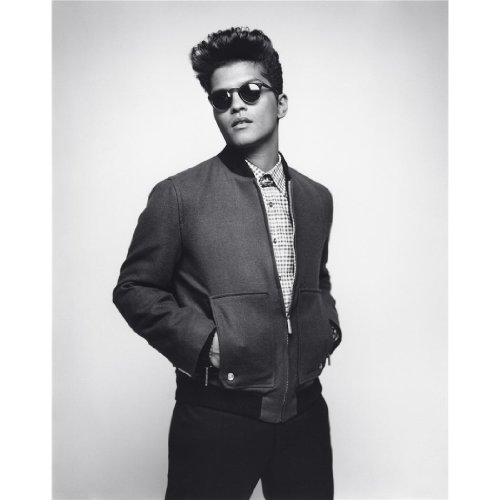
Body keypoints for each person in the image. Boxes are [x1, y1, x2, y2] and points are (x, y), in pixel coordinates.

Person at [113, 26, 342, 500]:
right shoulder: (179, 195)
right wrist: (205, 345)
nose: (236, 104)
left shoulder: (316, 198)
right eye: (222, 99)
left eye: (251, 91)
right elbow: (134, 289)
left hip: (304, 413)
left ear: (280, 103)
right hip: (216, 416)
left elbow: (316, 278)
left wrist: (327, 328)